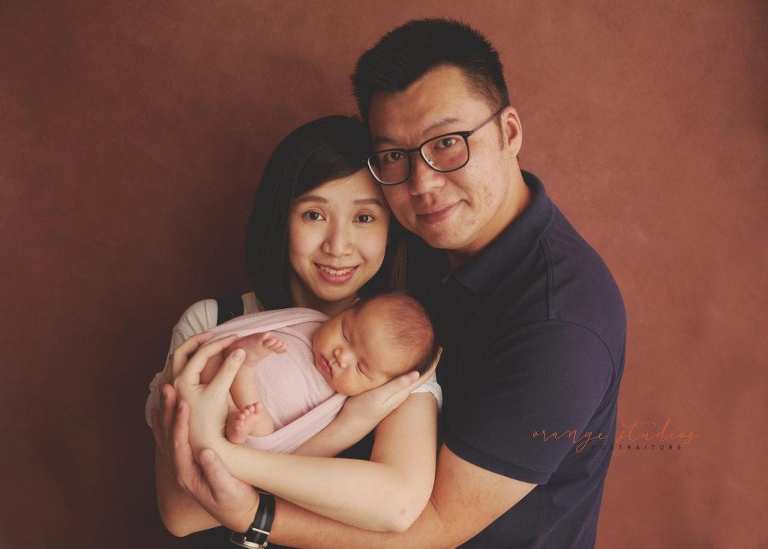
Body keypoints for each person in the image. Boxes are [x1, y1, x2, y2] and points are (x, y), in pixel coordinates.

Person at [170, 18, 627, 548]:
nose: (424, 183)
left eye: (449, 143)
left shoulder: (561, 324)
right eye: (395, 156)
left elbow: (431, 526)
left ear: (509, 132)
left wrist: (253, 512)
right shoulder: (418, 251)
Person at [149, 115, 442, 543]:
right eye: (313, 214)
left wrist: (228, 459)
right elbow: (182, 514)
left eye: (364, 218)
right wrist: (338, 433)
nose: (337, 246)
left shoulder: (399, 349)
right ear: (280, 219)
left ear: (391, 230)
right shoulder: (213, 320)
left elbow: (395, 504)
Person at [149, 293, 435, 451]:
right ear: (348, 310)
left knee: (258, 427)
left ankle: (241, 395)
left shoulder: (337, 406)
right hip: (208, 379)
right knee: (218, 359)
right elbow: (232, 335)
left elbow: (291, 445)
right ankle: (242, 362)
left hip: (247, 417)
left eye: (361, 367)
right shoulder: (306, 323)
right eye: (346, 334)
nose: (341, 356)